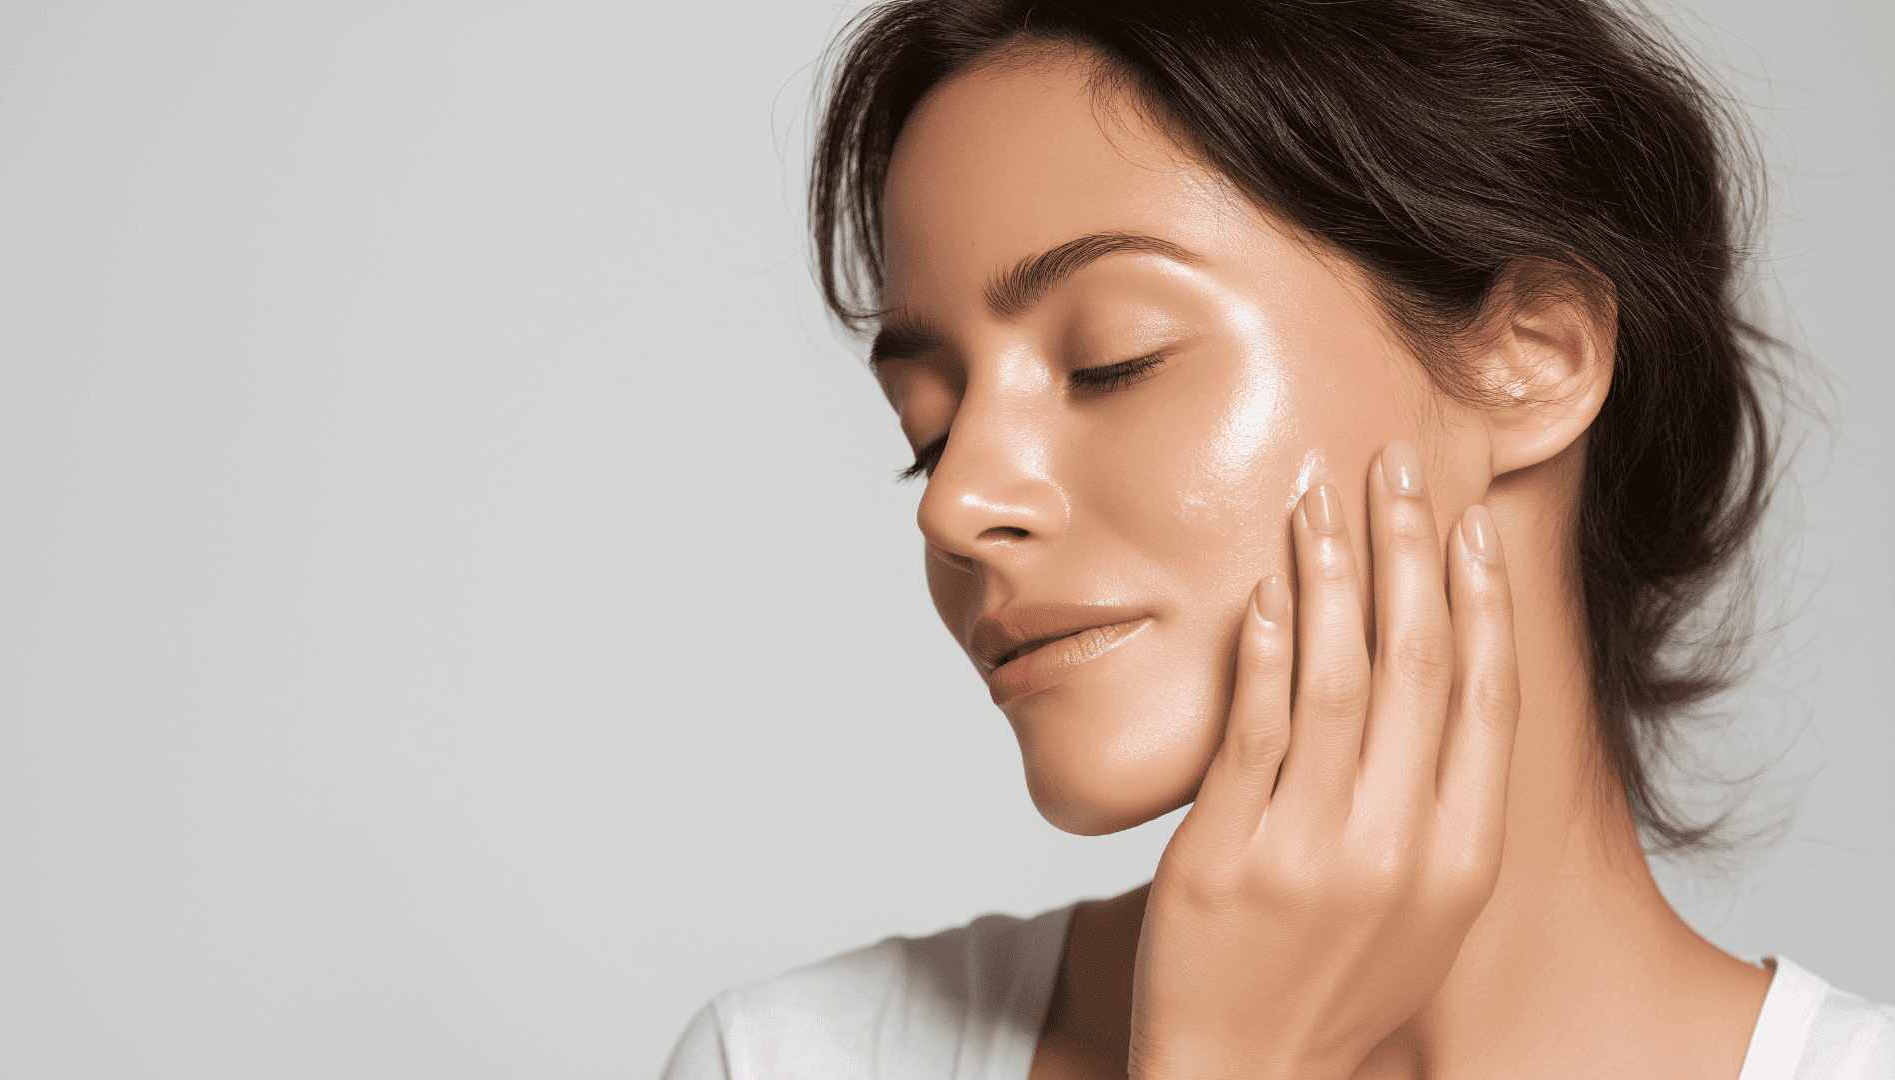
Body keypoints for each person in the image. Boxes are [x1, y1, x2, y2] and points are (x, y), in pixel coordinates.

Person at [662, 1, 1895, 1076]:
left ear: (1530, 357)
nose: (954, 504)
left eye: (1111, 360)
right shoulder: (787, 1060)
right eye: (930, 430)